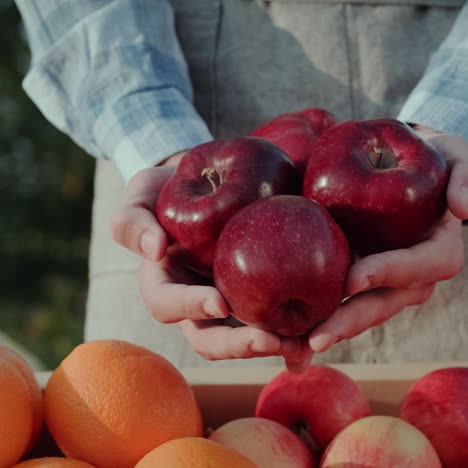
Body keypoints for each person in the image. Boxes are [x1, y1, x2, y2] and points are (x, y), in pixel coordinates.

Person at [15, 0, 468, 372]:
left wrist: (451, 123)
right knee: (152, 433)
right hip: (184, 229)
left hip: (435, 182)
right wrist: (160, 144)